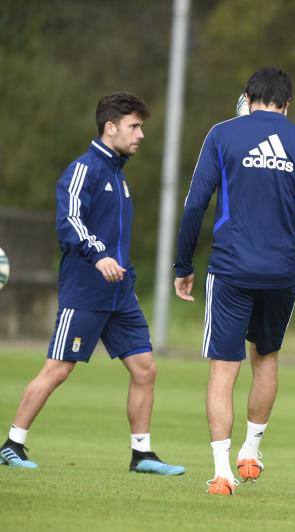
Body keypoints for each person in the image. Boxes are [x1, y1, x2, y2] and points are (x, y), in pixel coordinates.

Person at [174, 67, 295, 496]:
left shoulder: (222, 134)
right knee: (265, 359)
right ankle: (251, 450)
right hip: (282, 273)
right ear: (289, 103)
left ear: (247, 97)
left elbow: (196, 204)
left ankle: (222, 471)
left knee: (224, 368)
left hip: (230, 269)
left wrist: (182, 263)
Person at [0, 92, 184, 476]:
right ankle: (11, 444)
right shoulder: (84, 169)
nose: (140, 135)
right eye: (134, 127)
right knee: (58, 370)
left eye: (142, 127)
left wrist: (122, 272)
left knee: (145, 368)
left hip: (120, 293)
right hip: (85, 291)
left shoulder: (119, 175)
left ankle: (142, 455)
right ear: (110, 127)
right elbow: (69, 221)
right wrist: (98, 255)